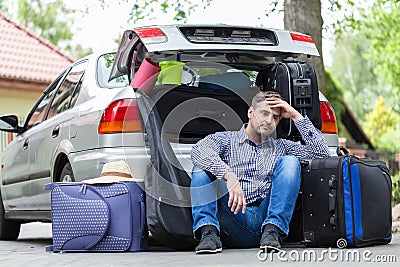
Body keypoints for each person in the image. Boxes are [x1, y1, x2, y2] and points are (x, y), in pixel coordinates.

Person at [190, 91, 331, 254]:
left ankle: (273, 230)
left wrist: (294, 115)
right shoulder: (226, 140)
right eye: (264, 113)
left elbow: (323, 156)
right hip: (233, 219)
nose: (269, 120)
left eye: (276, 117)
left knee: (290, 161)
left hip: (269, 222)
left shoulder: (283, 146)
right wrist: (228, 175)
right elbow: (198, 151)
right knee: (200, 169)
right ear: (251, 112)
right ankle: (208, 234)